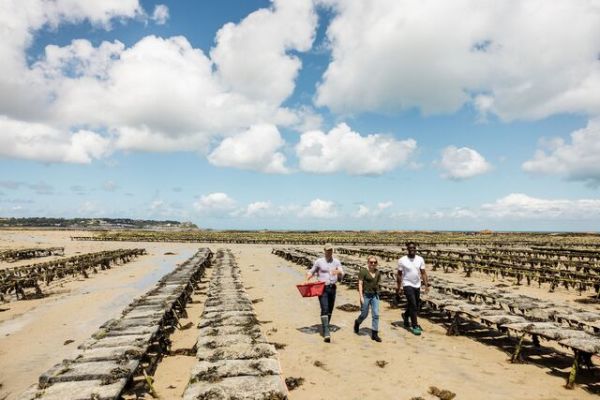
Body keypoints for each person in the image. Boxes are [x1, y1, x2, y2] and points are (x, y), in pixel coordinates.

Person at [306, 243, 344, 343]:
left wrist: (339, 273)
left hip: (332, 288)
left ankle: (325, 326)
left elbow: (341, 273)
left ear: (332, 251)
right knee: (325, 308)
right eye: (327, 250)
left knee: (330, 309)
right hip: (321, 287)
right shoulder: (319, 261)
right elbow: (312, 271)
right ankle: (326, 332)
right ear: (324, 251)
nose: (329, 252)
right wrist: (308, 277)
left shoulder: (336, 262)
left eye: (330, 250)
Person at [396, 242, 429, 335]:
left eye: (414, 248)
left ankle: (406, 315)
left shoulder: (420, 259)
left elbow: (423, 272)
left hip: (417, 284)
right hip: (407, 284)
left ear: (416, 249)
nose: (412, 249)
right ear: (407, 249)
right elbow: (399, 274)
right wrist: (399, 287)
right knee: (413, 305)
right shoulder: (402, 260)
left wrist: (426, 285)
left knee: (415, 305)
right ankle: (415, 325)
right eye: (410, 248)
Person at [354, 255, 382, 342]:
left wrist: (378, 293)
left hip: (374, 295)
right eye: (371, 262)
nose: (373, 264)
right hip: (366, 295)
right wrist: (361, 296)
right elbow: (360, 284)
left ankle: (374, 334)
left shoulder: (378, 272)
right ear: (368, 263)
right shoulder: (363, 272)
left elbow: (377, 283)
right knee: (364, 314)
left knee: (376, 314)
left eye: (375, 262)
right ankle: (357, 322)